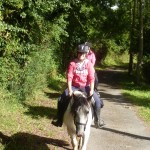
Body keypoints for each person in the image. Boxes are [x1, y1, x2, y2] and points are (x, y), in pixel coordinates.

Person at [51, 44, 104, 128]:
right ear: (77, 53)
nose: (81, 55)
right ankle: (59, 120)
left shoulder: (89, 64)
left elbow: (91, 78)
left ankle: (98, 120)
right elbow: (69, 77)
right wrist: (69, 89)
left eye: (83, 53)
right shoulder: (73, 63)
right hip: (74, 86)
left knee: (97, 102)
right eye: (79, 53)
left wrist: (91, 90)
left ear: (86, 54)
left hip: (86, 87)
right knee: (61, 99)